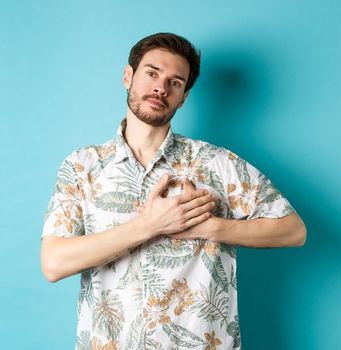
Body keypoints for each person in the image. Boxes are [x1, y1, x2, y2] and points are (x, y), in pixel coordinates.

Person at [40, 32, 306, 350]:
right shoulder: (82, 165)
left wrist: (211, 227)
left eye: (175, 82)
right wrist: (150, 225)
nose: (160, 88)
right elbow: (54, 263)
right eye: (152, 73)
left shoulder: (218, 163)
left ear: (183, 97)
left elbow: (294, 231)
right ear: (128, 76)